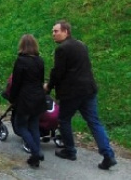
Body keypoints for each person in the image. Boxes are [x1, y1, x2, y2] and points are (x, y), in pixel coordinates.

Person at [46, 20, 117, 170]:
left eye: (56, 31)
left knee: (64, 119)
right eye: (53, 31)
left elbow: (58, 72)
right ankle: (108, 154)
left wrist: (49, 86)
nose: (53, 34)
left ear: (66, 31)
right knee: (94, 122)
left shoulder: (62, 49)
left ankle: (70, 150)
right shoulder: (82, 45)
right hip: (89, 89)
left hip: (72, 92)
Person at [10, 34, 47, 168]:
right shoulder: (40, 60)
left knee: (21, 126)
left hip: (25, 98)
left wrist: (12, 98)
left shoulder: (21, 61)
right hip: (38, 97)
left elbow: (16, 82)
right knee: (33, 126)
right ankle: (34, 157)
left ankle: (36, 152)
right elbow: (41, 80)